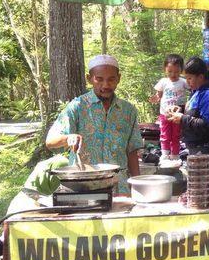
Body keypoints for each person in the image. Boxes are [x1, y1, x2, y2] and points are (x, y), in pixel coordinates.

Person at [46, 54, 142, 196]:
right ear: (89, 78)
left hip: (119, 187)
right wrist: (68, 138)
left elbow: (132, 151)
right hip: (82, 186)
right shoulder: (77, 107)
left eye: (111, 79)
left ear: (119, 79)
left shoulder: (128, 111)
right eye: (99, 79)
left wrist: (137, 186)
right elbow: (50, 142)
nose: (105, 85)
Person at [166, 57, 209, 184]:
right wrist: (181, 109)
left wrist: (183, 118)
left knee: (204, 190)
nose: (187, 82)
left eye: (190, 78)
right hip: (195, 149)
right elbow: (195, 112)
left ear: (200, 77)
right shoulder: (197, 91)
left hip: (206, 152)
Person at [149, 54, 187, 165]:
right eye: (170, 71)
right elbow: (159, 94)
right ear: (165, 69)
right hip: (164, 113)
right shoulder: (163, 81)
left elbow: (193, 89)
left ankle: (175, 155)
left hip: (177, 115)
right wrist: (156, 97)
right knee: (165, 134)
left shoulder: (183, 82)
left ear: (181, 70)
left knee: (176, 135)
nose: (173, 74)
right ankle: (165, 154)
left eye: (176, 71)